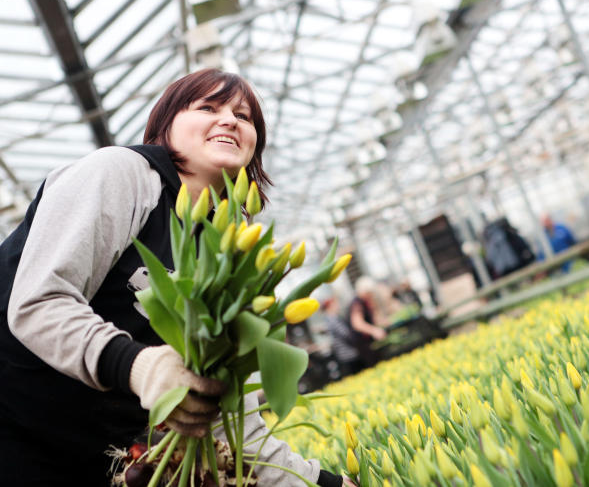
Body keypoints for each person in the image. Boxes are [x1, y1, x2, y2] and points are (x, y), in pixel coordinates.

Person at [0, 69, 352, 487]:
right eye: (207, 107)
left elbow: (221, 414)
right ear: (165, 126)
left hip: (94, 458)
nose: (230, 120)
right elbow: (38, 301)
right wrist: (138, 365)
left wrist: (321, 483)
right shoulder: (122, 174)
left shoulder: (226, 251)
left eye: (244, 116)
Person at [347, 276, 387, 368]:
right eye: (370, 293)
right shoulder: (357, 303)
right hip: (363, 345)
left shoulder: (365, 302)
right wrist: (374, 330)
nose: (371, 295)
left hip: (368, 343)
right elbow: (357, 324)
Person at [321, 297, 363, 378]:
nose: (338, 306)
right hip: (348, 353)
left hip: (345, 353)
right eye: (336, 304)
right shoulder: (333, 319)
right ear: (330, 306)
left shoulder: (329, 319)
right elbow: (345, 334)